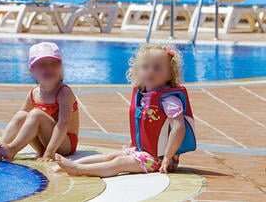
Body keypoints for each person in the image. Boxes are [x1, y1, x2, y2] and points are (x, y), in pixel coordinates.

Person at [54, 43, 196, 177]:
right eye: (145, 67)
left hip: (158, 159)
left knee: (119, 163)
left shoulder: (169, 100)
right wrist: (135, 142)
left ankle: (78, 169)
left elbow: (178, 128)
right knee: (111, 156)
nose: (150, 71)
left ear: (170, 74)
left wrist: (167, 157)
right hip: (143, 151)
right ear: (137, 70)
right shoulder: (143, 94)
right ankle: (73, 164)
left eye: (157, 68)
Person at [0, 42, 79, 162]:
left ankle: (12, 149)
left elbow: (63, 124)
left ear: (61, 67)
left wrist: (49, 154)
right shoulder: (34, 93)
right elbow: (20, 122)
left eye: (54, 64)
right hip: (45, 143)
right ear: (32, 69)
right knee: (21, 115)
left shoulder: (64, 92)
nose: (49, 68)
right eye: (42, 65)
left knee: (36, 114)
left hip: (65, 144)